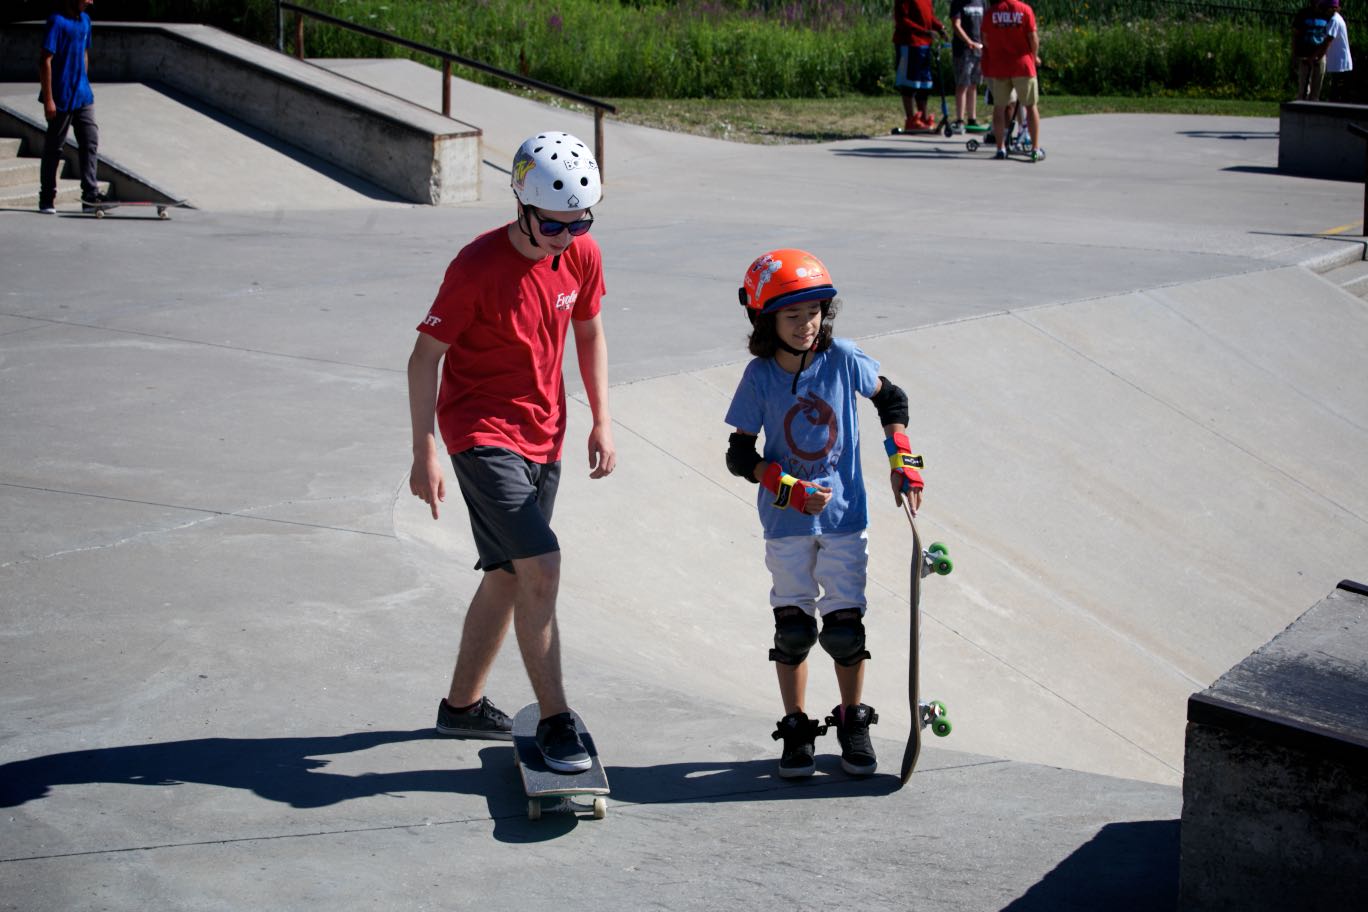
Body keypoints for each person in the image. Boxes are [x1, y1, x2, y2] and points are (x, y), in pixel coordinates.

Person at [407, 130, 616, 774]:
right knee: (542, 567)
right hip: (479, 434)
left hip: (544, 433)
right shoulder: (474, 268)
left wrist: (601, 420)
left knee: (506, 573)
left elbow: (590, 331)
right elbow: (423, 360)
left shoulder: (580, 253)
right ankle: (557, 722)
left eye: (579, 223)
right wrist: (425, 451)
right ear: (522, 205)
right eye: (554, 226)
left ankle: (462, 707)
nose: (567, 237)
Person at [723, 249, 926, 780]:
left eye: (814, 311)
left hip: (844, 518)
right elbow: (739, 455)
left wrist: (902, 459)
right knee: (793, 629)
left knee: (843, 628)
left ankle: (852, 722)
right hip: (786, 525)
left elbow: (893, 399)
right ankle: (795, 729)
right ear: (766, 320)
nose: (807, 324)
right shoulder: (759, 376)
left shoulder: (844, 359)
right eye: (793, 315)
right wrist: (785, 487)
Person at [37, 0, 105, 214]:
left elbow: (84, 52)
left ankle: (90, 196)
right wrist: (49, 99)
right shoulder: (56, 22)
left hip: (83, 95)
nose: (90, 2)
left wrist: (84, 81)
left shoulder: (85, 20)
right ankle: (47, 198)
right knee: (54, 148)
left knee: (90, 139)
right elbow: (45, 61)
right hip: (61, 96)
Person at [982, 0, 1044, 162]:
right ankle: (1035, 149)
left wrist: (997, 51)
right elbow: (1033, 37)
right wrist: (1034, 56)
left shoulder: (991, 12)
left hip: (1000, 65)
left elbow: (985, 39)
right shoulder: (1025, 10)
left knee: (999, 107)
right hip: (1022, 64)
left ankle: (1000, 147)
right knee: (1031, 106)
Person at [893, 0, 948, 133]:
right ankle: (910, 119)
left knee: (924, 84)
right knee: (909, 83)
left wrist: (940, 28)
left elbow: (929, 17)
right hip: (909, 42)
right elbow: (902, 21)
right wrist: (924, 31)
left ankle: (922, 117)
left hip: (924, 44)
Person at [950, 0, 987, 133]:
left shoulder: (981, 2)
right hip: (963, 50)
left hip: (979, 49)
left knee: (973, 84)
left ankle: (972, 119)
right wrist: (968, 41)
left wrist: (985, 43)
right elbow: (956, 25)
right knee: (962, 84)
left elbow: (985, 24)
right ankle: (960, 119)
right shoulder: (958, 3)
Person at [1292, 1, 1335, 101]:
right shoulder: (1303, 14)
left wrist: (1320, 54)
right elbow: (1295, 35)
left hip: (1320, 55)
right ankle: (1302, 108)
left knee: (1317, 88)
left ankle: (1314, 107)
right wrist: (1295, 53)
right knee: (1303, 88)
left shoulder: (1326, 16)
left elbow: (1329, 38)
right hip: (1305, 54)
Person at [1325, 0, 1353, 101]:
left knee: (1336, 91)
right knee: (1341, 91)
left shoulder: (1334, 20)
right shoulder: (1338, 19)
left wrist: (1320, 55)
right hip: (1341, 62)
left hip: (1339, 63)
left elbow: (1329, 39)